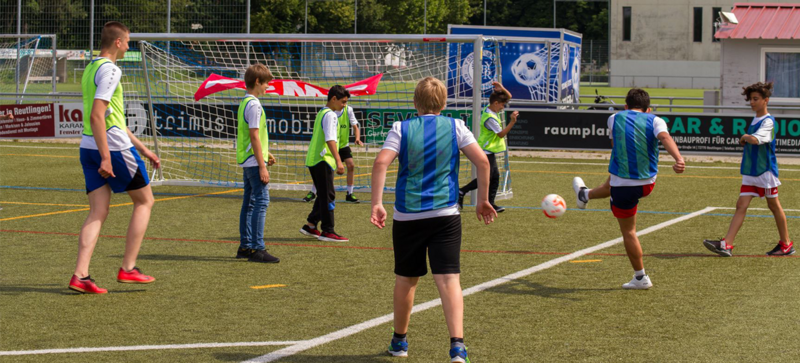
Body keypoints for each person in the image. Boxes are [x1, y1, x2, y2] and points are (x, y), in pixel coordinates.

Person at [370, 77, 497, 362]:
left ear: (415, 102)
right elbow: (483, 162)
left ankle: (400, 342)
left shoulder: (401, 128)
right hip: (445, 214)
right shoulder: (456, 126)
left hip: (408, 214)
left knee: (406, 279)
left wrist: (377, 203)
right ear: (443, 103)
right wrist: (483, 200)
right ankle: (457, 346)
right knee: (449, 280)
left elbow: (380, 163)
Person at [69, 21, 159, 294]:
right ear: (118, 42)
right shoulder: (111, 70)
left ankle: (80, 275)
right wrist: (107, 157)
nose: (129, 45)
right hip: (111, 149)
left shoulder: (91, 68)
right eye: (128, 41)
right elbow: (98, 116)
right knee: (145, 201)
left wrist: (143, 149)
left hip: (88, 147)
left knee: (98, 211)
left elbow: (112, 118)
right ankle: (128, 268)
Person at [572, 88, 685, 290]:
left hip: (624, 186)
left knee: (629, 232)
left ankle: (641, 278)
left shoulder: (614, 118)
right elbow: (665, 138)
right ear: (648, 109)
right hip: (647, 184)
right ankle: (585, 195)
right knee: (611, 183)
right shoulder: (656, 120)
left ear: (625, 106)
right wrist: (679, 159)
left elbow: (615, 145)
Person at [703, 82, 795, 257]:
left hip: (764, 172)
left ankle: (786, 244)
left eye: (756, 99)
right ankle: (727, 244)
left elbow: (757, 139)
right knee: (741, 205)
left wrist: (745, 137)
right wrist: (747, 138)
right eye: (750, 99)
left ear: (766, 100)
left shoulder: (768, 121)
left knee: (774, 206)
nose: (752, 102)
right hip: (751, 172)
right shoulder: (756, 119)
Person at [235, 63, 280, 263]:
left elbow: (252, 136)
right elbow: (253, 135)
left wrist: (265, 153)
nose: (267, 87)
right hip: (253, 162)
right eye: (266, 83)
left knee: (250, 203)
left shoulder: (245, 102)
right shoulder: (254, 104)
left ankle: (245, 246)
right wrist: (262, 164)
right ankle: (257, 248)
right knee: (261, 202)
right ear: (257, 82)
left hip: (249, 159)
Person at [299, 86, 349, 242]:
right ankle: (328, 230)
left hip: (315, 159)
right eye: (343, 102)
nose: (344, 106)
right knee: (328, 195)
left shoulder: (322, 112)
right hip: (322, 159)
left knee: (323, 193)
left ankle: (311, 225)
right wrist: (339, 160)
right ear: (333, 99)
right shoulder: (331, 116)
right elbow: (330, 139)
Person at [458, 81, 518, 213]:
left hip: (489, 150)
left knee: (494, 177)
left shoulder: (490, 108)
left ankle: (490, 202)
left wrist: (502, 88)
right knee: (489, 177)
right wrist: (512, 122)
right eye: (502, 105)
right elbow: (501, 134)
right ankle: (462, 191)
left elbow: (508, 96)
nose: (503, 107)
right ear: (496, 103)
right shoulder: (490, 118)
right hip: (485, 150)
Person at [302, 104, 362, 203]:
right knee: (325, 171)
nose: (343, 103)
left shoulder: (348, 110)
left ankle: (350, 193)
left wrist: (357, 138)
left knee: (351, 165)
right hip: (331, 145)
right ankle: (313, 192)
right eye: (342, 100)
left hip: (342, 144)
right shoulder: (329, 112)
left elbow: (355, 127)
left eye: (345, 101)